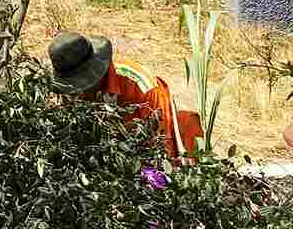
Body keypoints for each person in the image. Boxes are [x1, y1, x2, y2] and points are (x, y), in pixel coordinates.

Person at [49, 32, 202, 161]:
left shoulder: (142, 87)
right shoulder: (64, 92)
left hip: (142, 156)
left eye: (82, 84)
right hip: (104, 157)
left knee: (187, 124)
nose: (79, 93)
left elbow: (162, 146)